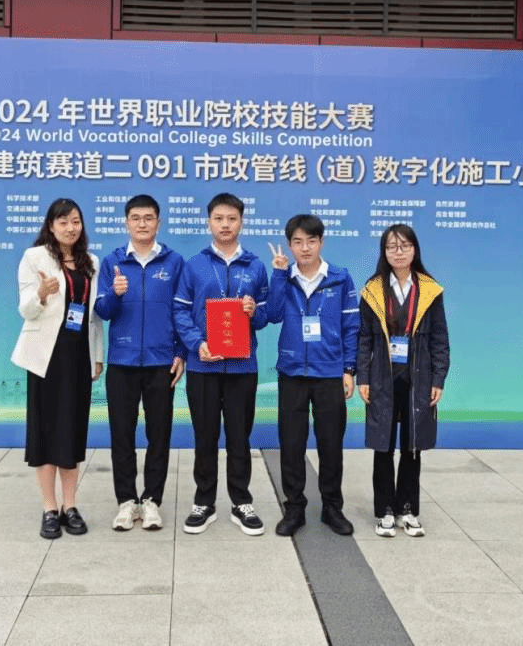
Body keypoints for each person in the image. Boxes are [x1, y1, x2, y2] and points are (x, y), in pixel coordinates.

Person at [173, 192, 270, 536]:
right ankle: (204, 502)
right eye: (219, 218)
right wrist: (196, 344)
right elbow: (180, 310)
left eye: (232, 218)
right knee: (205, 436)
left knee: (240, 437)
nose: (225, 224)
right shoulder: (194, 265)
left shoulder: (255, 266)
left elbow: (266, 316)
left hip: (243, 367)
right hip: (204, 366)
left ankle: (241, 501)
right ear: (209, 222)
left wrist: (254, 311)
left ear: (241, 222)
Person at [11, 198, 103, 540]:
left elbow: (93, 316)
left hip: (78, 355)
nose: (70, 228)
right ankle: (50, 508)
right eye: (63, 222)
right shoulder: (34, 258)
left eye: (75, 221)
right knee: (45, 432)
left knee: (72, 430)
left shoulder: (91, 262)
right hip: (45, 357)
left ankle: (70, 505)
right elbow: (25, 310)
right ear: (51, 226)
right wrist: (41, 294)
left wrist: (97, 355)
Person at [94, 195, 185, 531]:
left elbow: (182, 311)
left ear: (158, 222)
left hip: (162, 362)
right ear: (127, 223)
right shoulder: (113, 262)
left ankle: (151, 501)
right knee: (122, 434)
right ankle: (126, 501)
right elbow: (103, 311)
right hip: (123, 361)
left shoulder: (174, 262)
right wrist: (114, 294)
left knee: (159, 435)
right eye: (136, 218)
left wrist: (181, 352)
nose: (142, 223)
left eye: (149, 218)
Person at [266, 214, 359, 536]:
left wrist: (349, 369)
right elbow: (272, 314)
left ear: (321, 242)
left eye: (311, 241)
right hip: (292, 372)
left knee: (331, 444)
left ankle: (332, 508)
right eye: (297, 242)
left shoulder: (340, 278)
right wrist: (279, 274)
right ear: (289, 245)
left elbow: (351, 327)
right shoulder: (285, 277)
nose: (304, 248)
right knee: (291, 445)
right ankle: (294, 508)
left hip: (329, 373)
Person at [357, 223, 449, 538]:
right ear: (384, 252)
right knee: (383, 445)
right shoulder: (372, 290)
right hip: (382, 377)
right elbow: (364, 338)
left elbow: (440, 339)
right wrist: (363, 377)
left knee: (412, 446)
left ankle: (408, 509)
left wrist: (438, 378)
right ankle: (385, 510)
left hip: (418, 378)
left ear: (415, 250)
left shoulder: (430, 290)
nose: (399, 252)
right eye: (392, 247)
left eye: (405, 246)